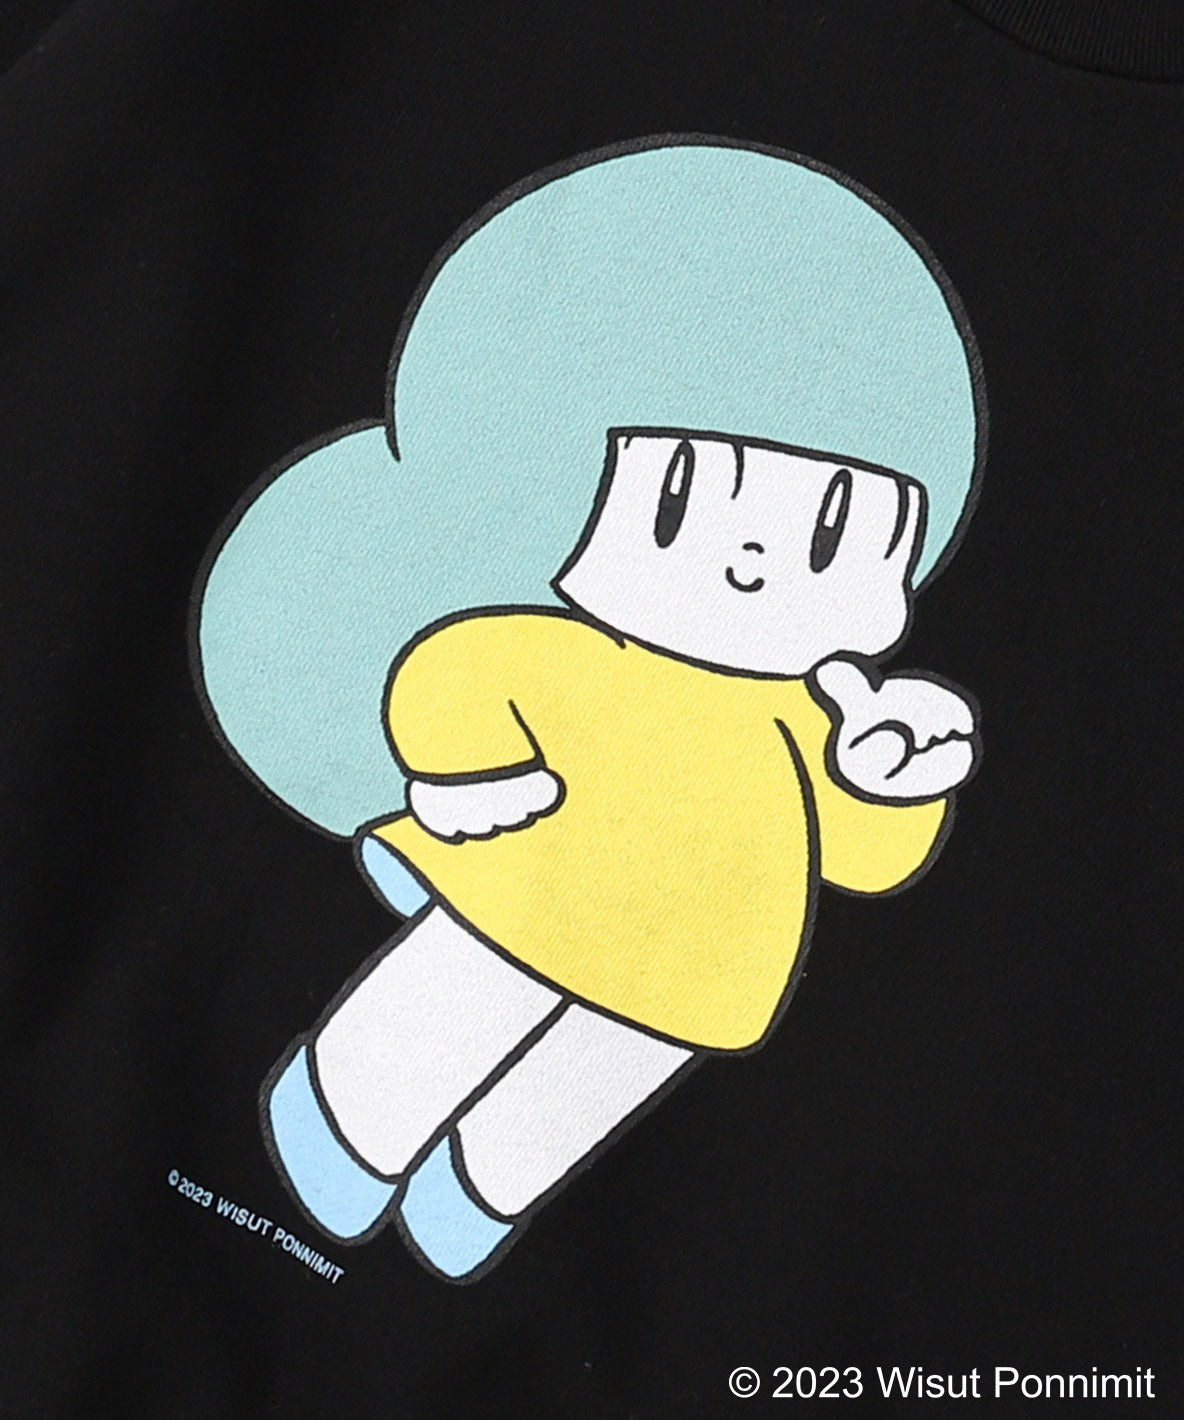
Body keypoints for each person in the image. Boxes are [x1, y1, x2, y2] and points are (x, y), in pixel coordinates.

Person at [196, 139, 986, 1282]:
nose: (754, 560)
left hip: (696, 962)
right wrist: (466, 777)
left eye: (827, 532)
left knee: (590, 1081)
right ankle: (342, 1131)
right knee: (454, 1001)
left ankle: (479, 1190)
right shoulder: (569, 653)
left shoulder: (809, 714)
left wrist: (881, 777)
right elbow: (455, 677)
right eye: (680, 497)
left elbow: (861, 852)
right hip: (524, 888)